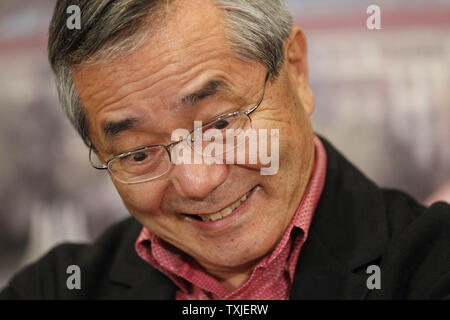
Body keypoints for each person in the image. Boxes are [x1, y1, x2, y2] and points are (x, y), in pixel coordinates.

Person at [1, 0, 449, 300]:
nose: (197, 182)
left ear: (296, 72)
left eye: (219, 122)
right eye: (139, 154)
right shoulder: (54, 288)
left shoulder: (431, 266)